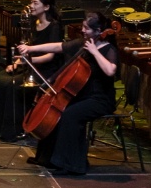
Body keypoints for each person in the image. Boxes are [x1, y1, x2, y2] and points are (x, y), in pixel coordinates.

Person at [19, 10, 120, 175]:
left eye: (86, 28)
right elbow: (58, 46)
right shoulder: (83, 43)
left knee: (70, 115)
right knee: (57, 113)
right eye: (83, 27)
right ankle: (47, 158)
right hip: (82, 96)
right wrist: (30, 48)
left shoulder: (109, 49)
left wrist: (94, 51)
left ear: (98, 31)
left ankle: (71, 164)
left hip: (100, 99)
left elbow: (110, 70)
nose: (83, 30)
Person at [0, 0, 62, 142]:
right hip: (29, 66)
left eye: (35, 3)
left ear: (46, 7)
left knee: (13, 85)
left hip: (45, 70)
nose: (31, 6)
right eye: (31, 2)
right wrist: (16, 64)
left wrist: (28, 61)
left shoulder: (54, 27)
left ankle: (12, 131)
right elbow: (26, 48)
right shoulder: (33, 23)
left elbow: (50, 56)